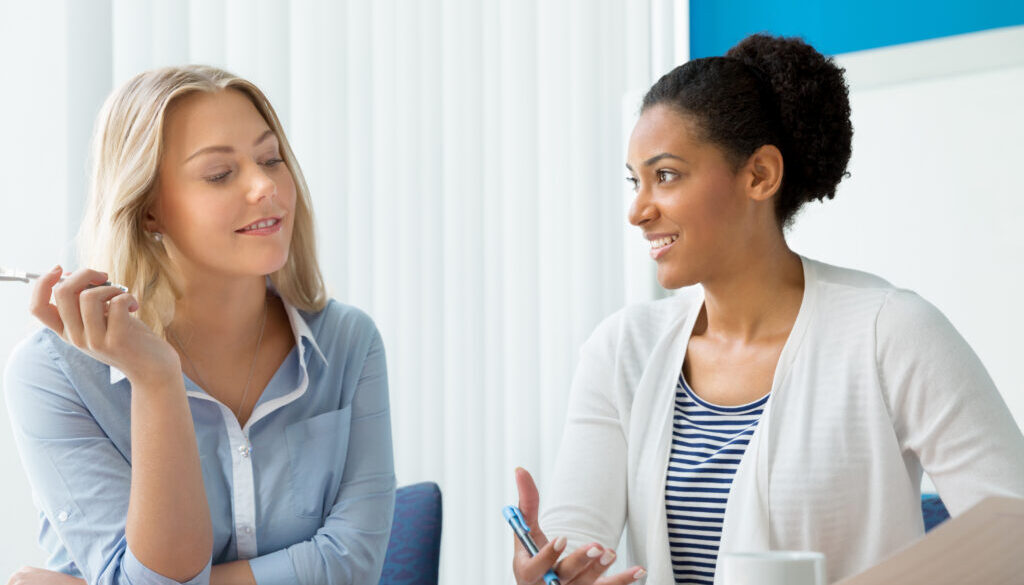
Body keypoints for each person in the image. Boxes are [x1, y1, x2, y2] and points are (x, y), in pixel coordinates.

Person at [511, 34, 1024, 585]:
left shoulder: (890, 332)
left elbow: (1014, 539)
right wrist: (550, 571)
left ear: (760, 175)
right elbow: (575, 546)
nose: (637, 210)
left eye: (666, 176)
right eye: (636, 182)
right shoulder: (621, 350)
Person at [4, 65, 395, 585]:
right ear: (149, 211)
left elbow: (352, 565)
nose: (266, 186)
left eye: (271, 159)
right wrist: (156, 380)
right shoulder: (55, 373)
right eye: (219, 174)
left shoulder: (349, 342)